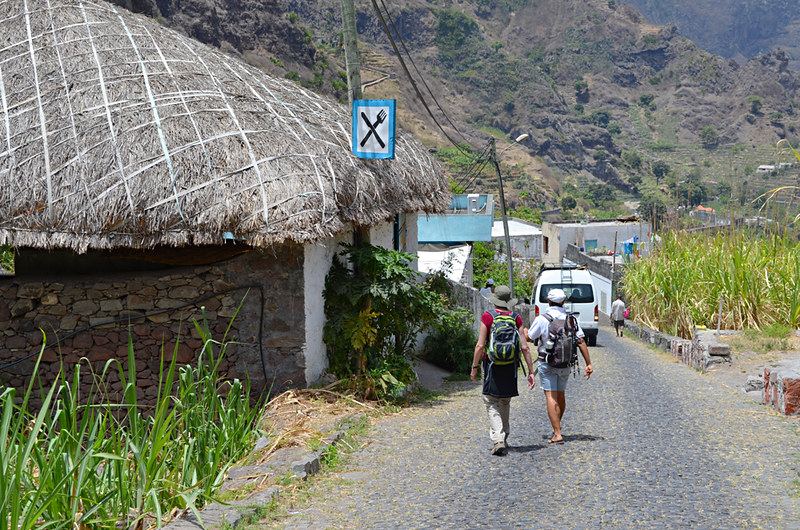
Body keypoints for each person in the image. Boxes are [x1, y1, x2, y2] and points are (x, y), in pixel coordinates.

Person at [470, 285, 535, 456]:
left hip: (492, 365)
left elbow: (480, 345)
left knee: (491, 401)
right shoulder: (516, 318)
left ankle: (498, 440)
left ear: (494, 299)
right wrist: (531, 371)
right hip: (510, 366)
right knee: (505, 400)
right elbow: (524, 347)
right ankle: (504, 436)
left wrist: (474, 367)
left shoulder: (488, 317)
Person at [525, 288, 593, 445]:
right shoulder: (571, 319)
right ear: (564, 302)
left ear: (548, 301)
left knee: (551, 396)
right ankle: (557, 427)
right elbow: (581, 340)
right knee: (560, 395)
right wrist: (588, 363)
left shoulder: (543, 318)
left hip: (546, 362)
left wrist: (526, 331)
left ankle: (557, 432)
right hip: (565, 363)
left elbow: (530, 338)